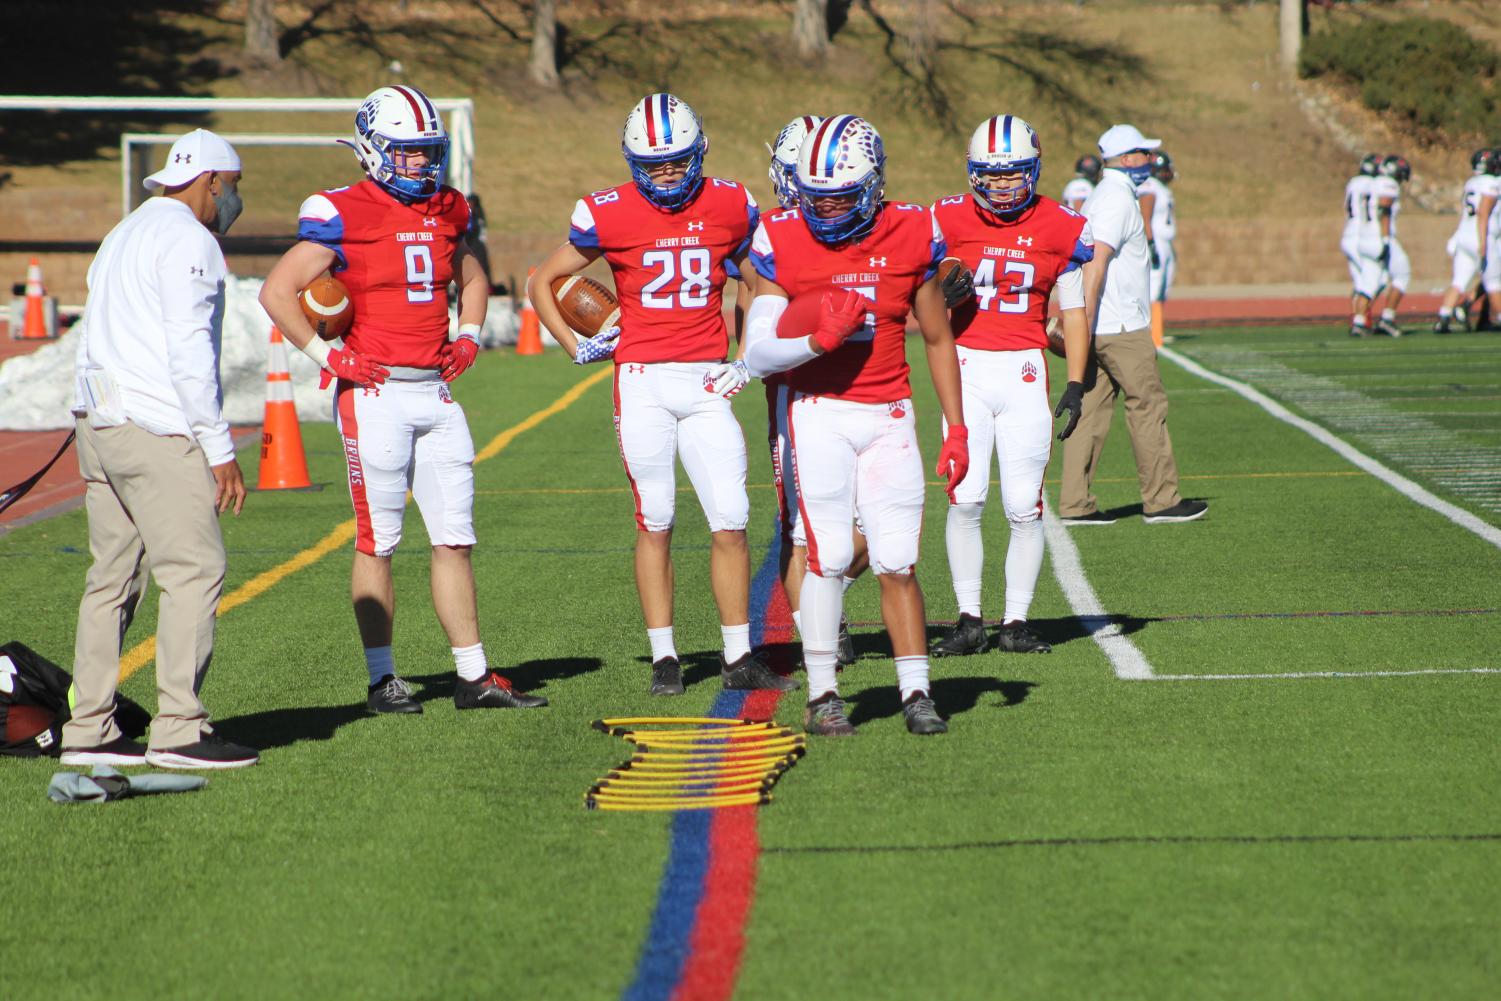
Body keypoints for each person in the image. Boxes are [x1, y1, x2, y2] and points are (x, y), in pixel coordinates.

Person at [260, 85, 547, 715]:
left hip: (435, 393)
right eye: (406, 152)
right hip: (376, 393)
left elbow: (469, 275)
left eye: (426, 152)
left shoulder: (447, 209)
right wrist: (332, 358)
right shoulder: (340, 210)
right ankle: (382, 679)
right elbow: (278, 291)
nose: (419, 163)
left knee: (454, 537)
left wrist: (468, 336)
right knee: (378, 539)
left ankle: (473, 677)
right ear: (371, 150)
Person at [528, 93, 794, 698]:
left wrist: (749, 353)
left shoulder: (731, 202)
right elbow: (541, 279)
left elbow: (761, 277)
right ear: (632, 162)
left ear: (699, 154)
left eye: (677, 162)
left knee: (730, 519)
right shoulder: (609, 211)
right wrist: (576, 346)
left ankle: (736, 654)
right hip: (642, 381)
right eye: (654, 165)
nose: (668, 174)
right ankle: (665, 657)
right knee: (657, 518)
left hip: (705, 380)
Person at [744, 114, 969, 736]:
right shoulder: (780, 235)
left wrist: (958, 427)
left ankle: (916, 691)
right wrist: (817, 339)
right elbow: (755, 352)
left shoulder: (911, 230)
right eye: (817, 198)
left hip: (891, 413)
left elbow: (937, 334)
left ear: (873, 186)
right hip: (818, 414)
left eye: (842, 196)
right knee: (830, 554)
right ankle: (822, 693)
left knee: (898, 560)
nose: (829, 210)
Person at [61, 128, 259, 770]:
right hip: (154, 426)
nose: (233, 201)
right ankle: (178, 728)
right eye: (231, 188)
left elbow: (95, 332)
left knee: (111, 579)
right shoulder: (189, 239)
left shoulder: (125, 231)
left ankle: (87, 726)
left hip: (100, 422)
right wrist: (219, 446)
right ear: (208, 182)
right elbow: (188, 350)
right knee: (194, 571)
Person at [928, 115, 1093, 659]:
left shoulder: (1061, 224)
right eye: (990, 176)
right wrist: (937, 291)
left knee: (1024, 506)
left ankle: (1016, 621)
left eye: (1012, 175)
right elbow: (917, 290)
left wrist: (1074, 381)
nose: (1001, 186)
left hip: (1024, 370)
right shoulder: (946, 218)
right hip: (966, 371)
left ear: (1034, 169)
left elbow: (1073, 308)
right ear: (973, 174)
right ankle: (970, 617)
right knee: (967, 500)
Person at [1059, 124, 1207, 526]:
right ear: (1127, 159)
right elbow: (1096, 262)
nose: (1150, 159)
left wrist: (1083, 326)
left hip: (1102, 323)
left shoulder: (1105, 194)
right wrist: (1083, 322)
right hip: (1119, 324)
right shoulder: (1116, 198)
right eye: (1143, 153)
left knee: (1090, 410)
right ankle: (1161, 499)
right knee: (1147, 404)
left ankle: (1076, 503)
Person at [763, 114, 865, 666]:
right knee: (799, 524)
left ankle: (826, 601)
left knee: (875, 527)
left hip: (866, 389)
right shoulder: (773, 232)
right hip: (795, 389)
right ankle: (816, 633)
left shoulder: (861, 223)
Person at [1436, 149, 1498, 334]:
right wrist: (1483, 243)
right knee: (1494, 282)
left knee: (1459, 280)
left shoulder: (1472, 182)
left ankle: (1444, 317)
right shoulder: (1492, 183)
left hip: (1463, 234)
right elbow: (1483, 214)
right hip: (1482, 235)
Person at [1136, 149, 1176, 348]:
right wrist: (1151, 244)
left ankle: (1157, 331)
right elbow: (1145, 216)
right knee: (1154, 287)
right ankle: (1152, 333)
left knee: (1161, 288)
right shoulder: (1150, 186)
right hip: (1157, 241)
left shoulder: (1160, 187)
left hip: (1164, 242)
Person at [1370, 155, 1412, 337]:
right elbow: (1384, 210)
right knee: (1403, 274)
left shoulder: (1372, 182)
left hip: (1368, 234)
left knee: (1378, 279)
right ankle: (1387, 318)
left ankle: (1360, 319)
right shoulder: (1388, 185)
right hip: (1381, 236)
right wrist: (1386, 240)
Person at [1341, 153, 1382, 336]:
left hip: (1348, 233)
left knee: (1360, 282)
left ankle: (1358, 320)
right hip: (1361, 235)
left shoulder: (1353, 183)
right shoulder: (1371, 185)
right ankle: (1361, 320)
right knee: (1375, 280)